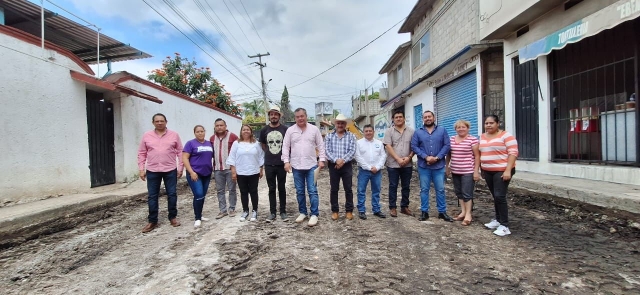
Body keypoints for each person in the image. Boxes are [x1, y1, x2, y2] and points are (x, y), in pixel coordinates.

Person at [138, 113, 184, 233]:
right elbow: (142, 153)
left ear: (166, 122)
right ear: (153, 123)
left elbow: (180, 152)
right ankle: (152, 220)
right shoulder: (146, 136)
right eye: (157, 121)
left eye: (162, 121)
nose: (159, 123)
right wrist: (141, 169)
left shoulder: (174, 135)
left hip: (170, 170)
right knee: (152, 196)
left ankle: (172, 217)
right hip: (152, 170)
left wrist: (180, 168)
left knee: (172, 194)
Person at [282, 108, 326, 227]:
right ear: (295, 118)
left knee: (312, 191)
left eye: (302, 116)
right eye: (297, 117)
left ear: (306, 116)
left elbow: (321, 146)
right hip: (296, 166)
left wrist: (321, 160)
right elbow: (285, 147)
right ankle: (302, 212)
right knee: (300, 191)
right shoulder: (290, 131)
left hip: (311, 166)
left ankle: (314, 214)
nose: (300, 118)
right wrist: (286, 162)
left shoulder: (314, 130)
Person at [411, 110, 454, 222]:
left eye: (429, 116)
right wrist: (426, 157)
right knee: (424, 189)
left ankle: (442, 212)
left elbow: (447, 145)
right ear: (423, 119)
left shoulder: (442, 130)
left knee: (440, 189)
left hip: (439, 166)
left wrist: (437, 158)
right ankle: (424, 212)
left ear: (434, 118)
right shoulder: (418, 132)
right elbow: (414, 146)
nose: (428, 118)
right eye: (425, 117)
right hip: (423, 166)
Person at [479, 115, 519, 236]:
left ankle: (505, 225)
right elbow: (481, 152)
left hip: (502, 170)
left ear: (498, 124)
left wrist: (507, 170)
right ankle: (498, 220)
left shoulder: (506, 136)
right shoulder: (481, 136)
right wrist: (482, 169)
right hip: (488, 170)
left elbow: (513, 153)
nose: (488, 125)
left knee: (500, 196)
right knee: (495, 196)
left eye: (491, 123)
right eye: (486, 123)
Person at [445, 120, 480, 226]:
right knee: (459, 192)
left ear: (468, 128)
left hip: (468, 171)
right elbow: (449, 155)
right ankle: (463, 212)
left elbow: (477, 156)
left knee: (467, 193)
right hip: (455, 170)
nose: (461, 129)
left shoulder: (472, 140)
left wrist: (476, 171)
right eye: (458, 127)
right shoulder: (451, 139)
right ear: (455, 129)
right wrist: (447, 166)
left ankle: (468, 214)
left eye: (463, 127)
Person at [227, 125, 265, 222]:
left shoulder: (256, 143)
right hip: (241, 172)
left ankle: (255, 210)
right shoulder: (236, 143)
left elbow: (261, 156)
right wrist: (233, 171)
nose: (246, 131)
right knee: (243, 192)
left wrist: (261, 169)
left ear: (251, 131)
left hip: (254, 171)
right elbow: (232, 157)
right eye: (244, 130)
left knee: (253, 191)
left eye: (248, 130)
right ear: (241, 132)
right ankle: (245, 210)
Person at [259, 106, 289, 222]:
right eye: (271, 114)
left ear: (279, 116)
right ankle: (272, 212)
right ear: (269, 116)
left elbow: (287, 145)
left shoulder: (285, 130)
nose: (273, 116)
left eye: (276, 114)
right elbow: (263, 145)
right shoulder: (264, 130)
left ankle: (283, 211)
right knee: (271, 189)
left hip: (281, 164)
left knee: (282, 188)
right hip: (269, 164)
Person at [325, 114, 357, 221]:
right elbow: (327, 151)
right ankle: (335, 211)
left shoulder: (351, 136)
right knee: (334, 189)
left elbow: (352, 151)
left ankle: (349, 211)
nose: (340, 125)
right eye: (338, 123)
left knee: (348, 189)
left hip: (346, 165)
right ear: (335, 124)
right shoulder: (329, 136)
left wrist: (342, 161)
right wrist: (336, 160)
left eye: (342, 123)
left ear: (345, 124)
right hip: (333, 166)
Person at [383, 110, 415, 217]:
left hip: (407, 164)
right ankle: (392, 207)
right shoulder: (389, 131)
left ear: (404, 118)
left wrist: (409, 157)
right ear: (393, 119)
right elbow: (388, 146)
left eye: (400, 117)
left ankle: (404, 207)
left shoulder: (411, 131)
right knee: (393, 185)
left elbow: (415, 146)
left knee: (406, 186)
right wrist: (398, 159)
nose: (398, 119)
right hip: (393, 164)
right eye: (396, 117)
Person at [182, 125, 214, 228]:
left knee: (202, 195)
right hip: (195, 174)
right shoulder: (190, 143)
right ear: (194, 133)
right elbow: (185, 158)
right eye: (197, 132)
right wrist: (191, 172)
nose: (200, 133)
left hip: (207, 173)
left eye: (202, 131)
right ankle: (197, 218)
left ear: (205, 132)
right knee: (199, 193)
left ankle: (200, 214)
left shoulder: (209, 144)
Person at [354, 124, 387, 220]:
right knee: (361, 191)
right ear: (363, 132)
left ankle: (376, 209)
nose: (368, 132)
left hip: (377, 171)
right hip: (363, 170)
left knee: (376, 191)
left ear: (373, 132)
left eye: (370, 131)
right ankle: (361, 210)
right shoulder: (359, 143)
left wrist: (377, 167)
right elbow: (357, 157)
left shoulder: (379, 143)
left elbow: (383, 156)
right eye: (366, 131)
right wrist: (368, 167)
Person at [210, 118, 238, 219]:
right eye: (217, 125)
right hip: (217, 168)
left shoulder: (233, 136)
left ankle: (232, 208)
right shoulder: (212, 138)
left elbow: (237, 151)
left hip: (230, 168)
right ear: (214, 127)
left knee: (232, 189)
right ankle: (222, 210)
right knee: (220, 190)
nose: (219, 127)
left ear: (225, 126)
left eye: (221, 125)